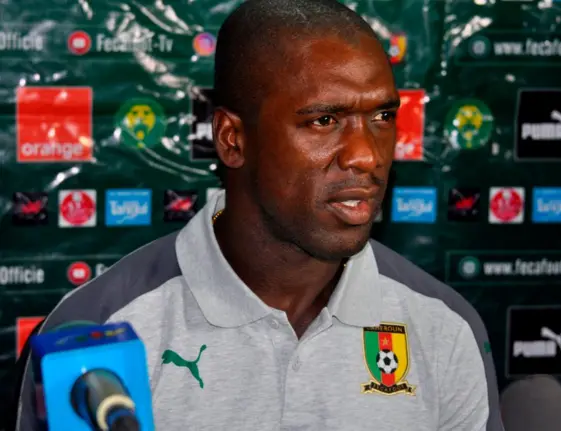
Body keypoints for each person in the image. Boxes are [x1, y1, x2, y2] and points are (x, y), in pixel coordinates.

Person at [9, 0, 503, 429]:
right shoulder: (100, 331)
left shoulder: (444, 327)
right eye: (324, 120)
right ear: (232, 139)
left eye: (381, 118)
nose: (366, 155)